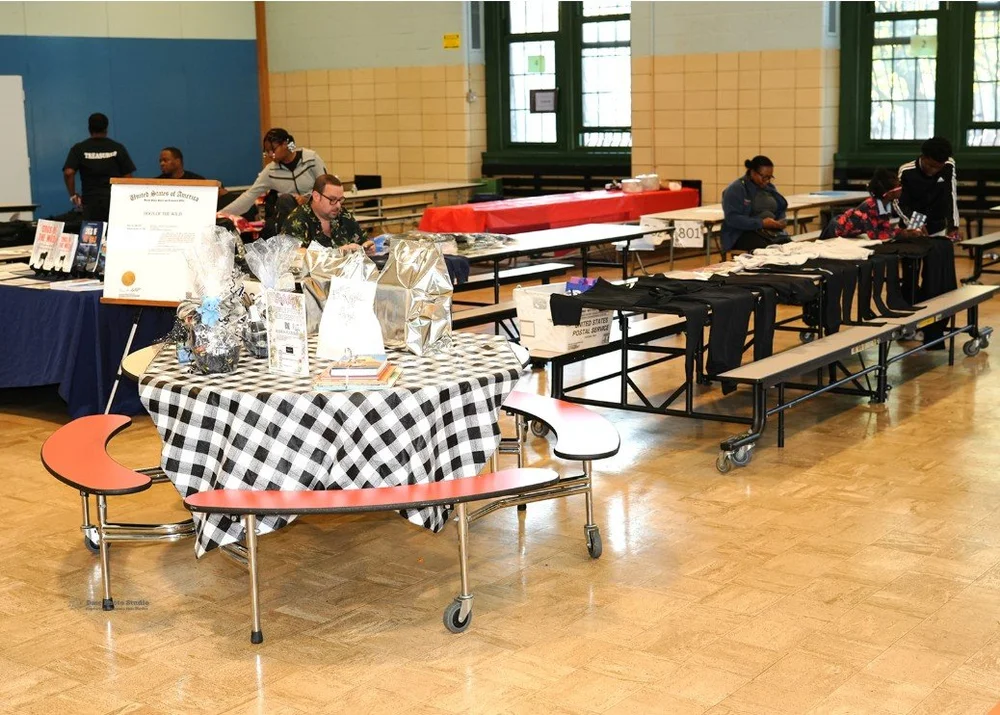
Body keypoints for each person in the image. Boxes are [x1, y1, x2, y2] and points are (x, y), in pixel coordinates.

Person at [218, 128, 328, 224]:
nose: (270, 155)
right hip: (291, 216)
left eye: (273, 150)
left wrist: (308, 198)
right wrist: (220, 215)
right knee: (284, 199)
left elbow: (326, 186)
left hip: (317, 211)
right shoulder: (270, 171)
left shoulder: (311, 159)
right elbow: (249, 196)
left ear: (285, 144)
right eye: (267, 152)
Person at [62, 112, 136, 222]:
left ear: (89, 128)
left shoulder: (79, 149)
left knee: (92, 236)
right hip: (114, 202)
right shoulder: (117, 148)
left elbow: (68, 172)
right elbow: (128, 177)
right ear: (106, 128)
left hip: (90, 203)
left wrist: (73, 195)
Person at [821, 168, 928, 241]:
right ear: (888, 194)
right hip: (836, 231)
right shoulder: (870, 208)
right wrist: (903, 233)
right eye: (899, 186)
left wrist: (906, 231)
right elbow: (875, 235)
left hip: (852, 233)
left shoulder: (886, 204)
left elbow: (884, 227)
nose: (902, 189)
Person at [281, 174, 373, 253]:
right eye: (332, 200)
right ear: (316, 196)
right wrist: (336, 254)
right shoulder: (296, 220)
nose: (338, 205)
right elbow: (292, 257)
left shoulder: (343, 215)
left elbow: (363, 240)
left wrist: (367, 247)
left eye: (340, 200)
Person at [721, 156, 791, 253]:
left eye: (770, 177)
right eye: (764, 177)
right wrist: (761, 223)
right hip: (741, 234)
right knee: (771, 249)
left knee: (789, 246)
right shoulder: (736, 189)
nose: (766, 180)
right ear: (753, 172)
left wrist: (780, 221)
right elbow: (732, 218)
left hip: (768, 232)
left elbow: (780, 208)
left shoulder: (769, 188)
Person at [895, 136, 960, 240]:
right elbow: (899, 202)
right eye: (930, 166)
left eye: (938, 168)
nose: (933, 171)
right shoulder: (906, 171)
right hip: (911, 228)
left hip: (938, 228)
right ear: (923, 157)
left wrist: (953, 227)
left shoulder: (948, 165)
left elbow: (951, 195)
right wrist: (917, 224)